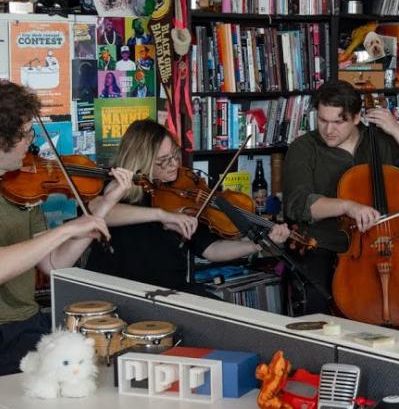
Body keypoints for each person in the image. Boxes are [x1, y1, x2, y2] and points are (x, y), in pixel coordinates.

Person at [283, 80, 399, 336]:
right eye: (322, 120)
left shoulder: (380, 141)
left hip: (386, 242)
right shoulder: (304, 148)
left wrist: (396, 129)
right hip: (327, 244)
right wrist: (347, 206)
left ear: (356, 118)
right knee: (314, 293)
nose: (328, 130)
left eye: (338, 122)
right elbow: (297, 204)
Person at [0, 81, 131, 374]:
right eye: (25, 133)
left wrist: (103, 208)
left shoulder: (24, 187)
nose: (31, 142)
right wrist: (65, 230)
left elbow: (53, 263)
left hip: (25, 326)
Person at [86, 119, 291, 295]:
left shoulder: (182, 192)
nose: (175, 164)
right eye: (164, 161)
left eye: (175, 154)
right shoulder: (117, 187)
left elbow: (212, 249)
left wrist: (258, 245)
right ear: (141, 161)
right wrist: (161, 215)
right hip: (121, 291)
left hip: (169, 292)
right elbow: (98, 211)